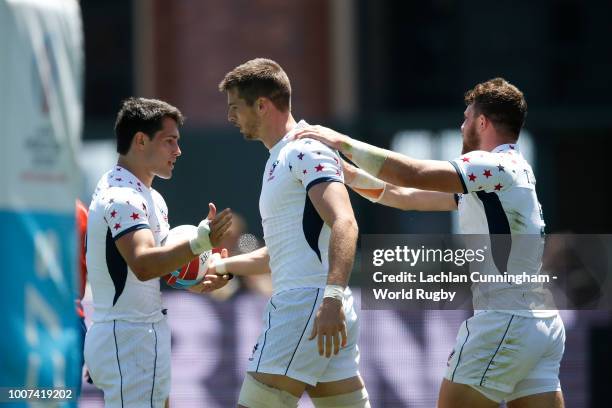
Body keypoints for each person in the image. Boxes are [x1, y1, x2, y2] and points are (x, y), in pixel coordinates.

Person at [294, 78, 565, 408]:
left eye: (466, 118)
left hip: (505, 321)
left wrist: (342, 141)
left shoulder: (493, 166)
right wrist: (346, 173)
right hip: (542, 324)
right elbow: (402, 196)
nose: (461, 125)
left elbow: (413, 174)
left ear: (483, 122)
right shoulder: (510, 171)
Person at [213, 58, 370, 408]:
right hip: (318, 308)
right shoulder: (279, 158)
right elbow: (279, 253)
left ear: (262, 105)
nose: (230, 117)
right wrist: (222, 267)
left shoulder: (303, 150)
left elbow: (345, 221)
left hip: (306, 307)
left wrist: (330, 298)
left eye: (235, 107)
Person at [84, 97, 232, 407]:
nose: (178, 151)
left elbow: (163, 268)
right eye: (169, 142)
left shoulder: (147, 195)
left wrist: (197, 280)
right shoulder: (123, 196)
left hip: (134, 335)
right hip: (129, 337)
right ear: (140, 140)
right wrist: (200, 243)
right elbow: (142, 265)